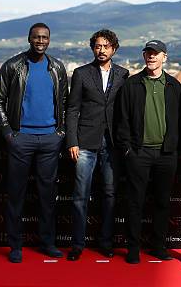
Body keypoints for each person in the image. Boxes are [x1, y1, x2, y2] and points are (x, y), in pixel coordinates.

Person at [0, 22, 68, 263]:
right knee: (16, 195)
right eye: (37, 37)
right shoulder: (13, 66)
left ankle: (47, 243)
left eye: (45, 37)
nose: (41, 41)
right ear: (29, 39)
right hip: (20, 139)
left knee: (48, 196)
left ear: (49, 39)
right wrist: (8, 133)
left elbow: (64, 101)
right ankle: (15, 246)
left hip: (49, 140)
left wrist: (61, 131)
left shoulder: (57, 67)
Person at [115, 40, 181, 264]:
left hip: (166, 154)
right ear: (144, 56)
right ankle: (133, 249)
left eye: (156, 54)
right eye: (148, 53)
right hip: (138, 153)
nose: (152, 57)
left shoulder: (174, 86)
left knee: (163, 203)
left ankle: (158, 247)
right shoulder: (131, 85)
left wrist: (175, 148)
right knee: (135, 202)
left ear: (165, 57)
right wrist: (127, 151)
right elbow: (121, 120)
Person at [65, 29, 129, 261]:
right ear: (93, 48)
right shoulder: (81, 74)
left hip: (112, 144)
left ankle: (105, 242)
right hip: (85, 142)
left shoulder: (123, 74)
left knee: (110, 194)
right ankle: (78, 244)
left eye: (106, 46)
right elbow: (72, 110)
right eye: (97, 46)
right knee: (80, 195)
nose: (101, 50)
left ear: (114, 49)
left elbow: (124, 111)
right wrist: (72, 140)